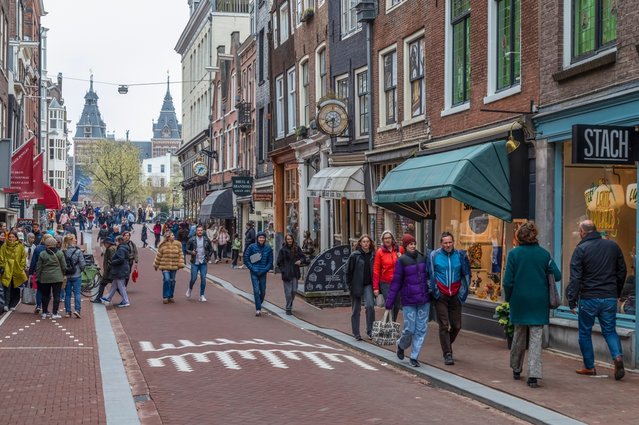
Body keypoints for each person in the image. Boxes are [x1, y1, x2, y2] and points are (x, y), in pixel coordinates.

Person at [503, 222, 562, 388]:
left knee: (519, 335)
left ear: (519, 237)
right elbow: (557, 275)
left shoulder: (514, 254)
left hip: (519, 300)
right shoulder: (544, 255)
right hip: (538, 301)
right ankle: (534, 375)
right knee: (536, 338)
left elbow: (507, 281)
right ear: (535, 235)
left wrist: (509, 297)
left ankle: (516, 368)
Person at [566, 220, 627, 380]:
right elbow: (622, 270)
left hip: (589, 297)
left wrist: (571, 300)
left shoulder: (581, 249)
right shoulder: (612, 246)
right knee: (610, 330)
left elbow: (576, 278)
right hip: (609, 297)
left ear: (582, 232)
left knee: (585, 332)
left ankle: (589, 366)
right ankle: (618, 357)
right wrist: (617, 291)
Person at [386, 233, 431, 367]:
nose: (412, 246)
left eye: (413, 243)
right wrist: (389, 303)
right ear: (405, 246)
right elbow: (395, 283)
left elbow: (429, 276)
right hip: (409, 300)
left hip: (424, 300)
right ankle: (400, 345)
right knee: (410, 329)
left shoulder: (423, 258)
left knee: (421, 329)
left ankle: (414, 357)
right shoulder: (402, 261)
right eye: (410, 244)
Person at [428, 231, 471, 366]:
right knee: (444, 325)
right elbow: (428, 275)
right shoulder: (434, 255)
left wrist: (463, 291)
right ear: (441, 243)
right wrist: (435, 291)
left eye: (450, 242)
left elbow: (467, 274)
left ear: (453, 242)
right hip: (441, 295)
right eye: (445, 242)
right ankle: (447, 353)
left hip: (455, 295)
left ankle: (446, 344)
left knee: (457, 325)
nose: (448, 245)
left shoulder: (460, 256)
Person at [345, 234, 376, 340]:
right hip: (356, 284)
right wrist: (349, 285)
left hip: (368, 284)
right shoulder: (354, 255)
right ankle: (356, 333)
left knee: (370, 306)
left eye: (368, 241)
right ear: (360, 243)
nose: (366, 243)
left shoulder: (373, 255)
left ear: (370, 243)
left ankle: (370, 331)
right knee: (356, 309)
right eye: (364, 241)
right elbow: (348, 271)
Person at [373, 230, 401, 321]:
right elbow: (376, 270)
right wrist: (376, 287)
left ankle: (392, 323)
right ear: (383, 240)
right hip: (385, 283)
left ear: (392, 239)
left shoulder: (399, 250)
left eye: (389, 238)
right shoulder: (380, 252)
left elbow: (405, 264)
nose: (387, 240)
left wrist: (401, 257)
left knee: (397, 304)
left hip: (397, 282)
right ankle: (389, 325)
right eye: (385, 238)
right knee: (390, 303)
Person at [35, 237, 66, 319]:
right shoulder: (60, 253)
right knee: (56, 295)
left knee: (45, 295)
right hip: (57, 277)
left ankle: (44, 313)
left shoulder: (42, 254)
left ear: (46, 245)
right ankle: (54, 313)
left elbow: (39, 267)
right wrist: (63, 274)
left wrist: (38, 277)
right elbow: (64, 266)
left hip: (45, 277)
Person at [276, 233, 307, 315]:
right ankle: (288, 308)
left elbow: (303, 257)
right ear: (286, 240)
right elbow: (279, 262)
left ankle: (290, 303)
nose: (289, 240)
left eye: (291, 239)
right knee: (288, 292)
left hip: (295, 273)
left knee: (293, 291)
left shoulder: (297, 248)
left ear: (293, 239)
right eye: (288, 239)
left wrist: (300, 261)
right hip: (286, 274)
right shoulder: (282, 250)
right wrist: (283, 270)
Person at [244, 231, 273, 316]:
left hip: (263, 272)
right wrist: (252, 268)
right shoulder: (251, 247)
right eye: (260, 237)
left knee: (263, 291)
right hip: (254, 272)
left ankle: (258, 303)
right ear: (257, 238)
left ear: (265, 239)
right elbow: (246, 259)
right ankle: (258, 309)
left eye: (263, 238)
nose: (261, 239)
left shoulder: (268, 248)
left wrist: (265, 270)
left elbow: (270, 261)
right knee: (256, 290)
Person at [154, 230, 185, 304]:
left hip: (174, 266)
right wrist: (156, 265)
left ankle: (171, 296)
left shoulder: (178, 244)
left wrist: (180, 264)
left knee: (172, 281)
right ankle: (165, 296)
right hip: (164, 265)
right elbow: (159, 256)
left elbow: (181, 254)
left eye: (173, 235)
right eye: (172, 235)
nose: (173, 236)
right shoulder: (163, 245)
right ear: (168, 237)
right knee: (167, 280)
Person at [0, 231, 28, 311]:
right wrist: (2, 266)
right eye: (10, 237)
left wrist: (21, 267)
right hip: (7, 269)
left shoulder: (20, 246)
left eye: (13, 237)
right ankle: (6, 304)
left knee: (15, 287)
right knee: (7, 287)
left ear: (16, 238)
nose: (11, 239)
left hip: (16, 269)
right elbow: (1, 256)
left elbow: (23, 257)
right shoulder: (4, 246)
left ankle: (13, 304)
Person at [100, 236, 131, 307]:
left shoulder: (121, 249)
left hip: (120, 270)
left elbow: (121, 259)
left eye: (116, 241)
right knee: (114, 284)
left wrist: (112, 262)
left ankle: (126, 301)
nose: (115, 242)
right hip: (120, 270)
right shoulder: (123, 248)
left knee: (121, 286)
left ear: (119, 241)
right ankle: (108, 298)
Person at [186, 225, 213, 302]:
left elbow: (211, 249)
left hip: (203, 262)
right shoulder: (192, 239)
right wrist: (192, 252)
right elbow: (186, 249)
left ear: (203, 231)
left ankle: (202, 295)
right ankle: (190, 289)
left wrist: (208, 257)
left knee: (203, 278)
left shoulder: (206, 240)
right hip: (195, 262)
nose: (200, 232)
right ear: (196, 231)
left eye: (201, 230)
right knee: (193, 278)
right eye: (198, 230)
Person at [62, 234, 86, 319]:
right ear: (72, 241)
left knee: (67, 294)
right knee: (77, 293)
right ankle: (77, 310)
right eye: (75, 239)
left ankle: (68, 312)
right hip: (77, 274)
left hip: (67, 276)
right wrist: (81, 270)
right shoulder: (78, 251)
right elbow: (82, 264)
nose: (76, 240)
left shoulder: (63, 251)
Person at [92, 236, 116, 303]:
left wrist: (107, 269)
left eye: (104, 244)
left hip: (109, 272)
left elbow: (111, 260)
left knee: (103, 284)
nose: (104, 245)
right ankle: (125, 298)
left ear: (107, 243)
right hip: (110, 271)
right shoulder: (112, 248)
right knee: (116, 285)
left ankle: (98, 298)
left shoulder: (110, 249)